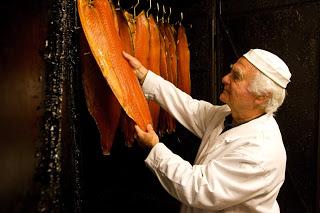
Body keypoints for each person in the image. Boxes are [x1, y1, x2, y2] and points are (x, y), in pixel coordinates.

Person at [122, 48, 291, 213]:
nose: (225, 78)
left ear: (262, 97)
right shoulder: (230, 115)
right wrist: (145, 76)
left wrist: (154, 148)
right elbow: (192, 109)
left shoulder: (260, 153)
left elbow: (198, 188)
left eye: (236, 77)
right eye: (231, 71)